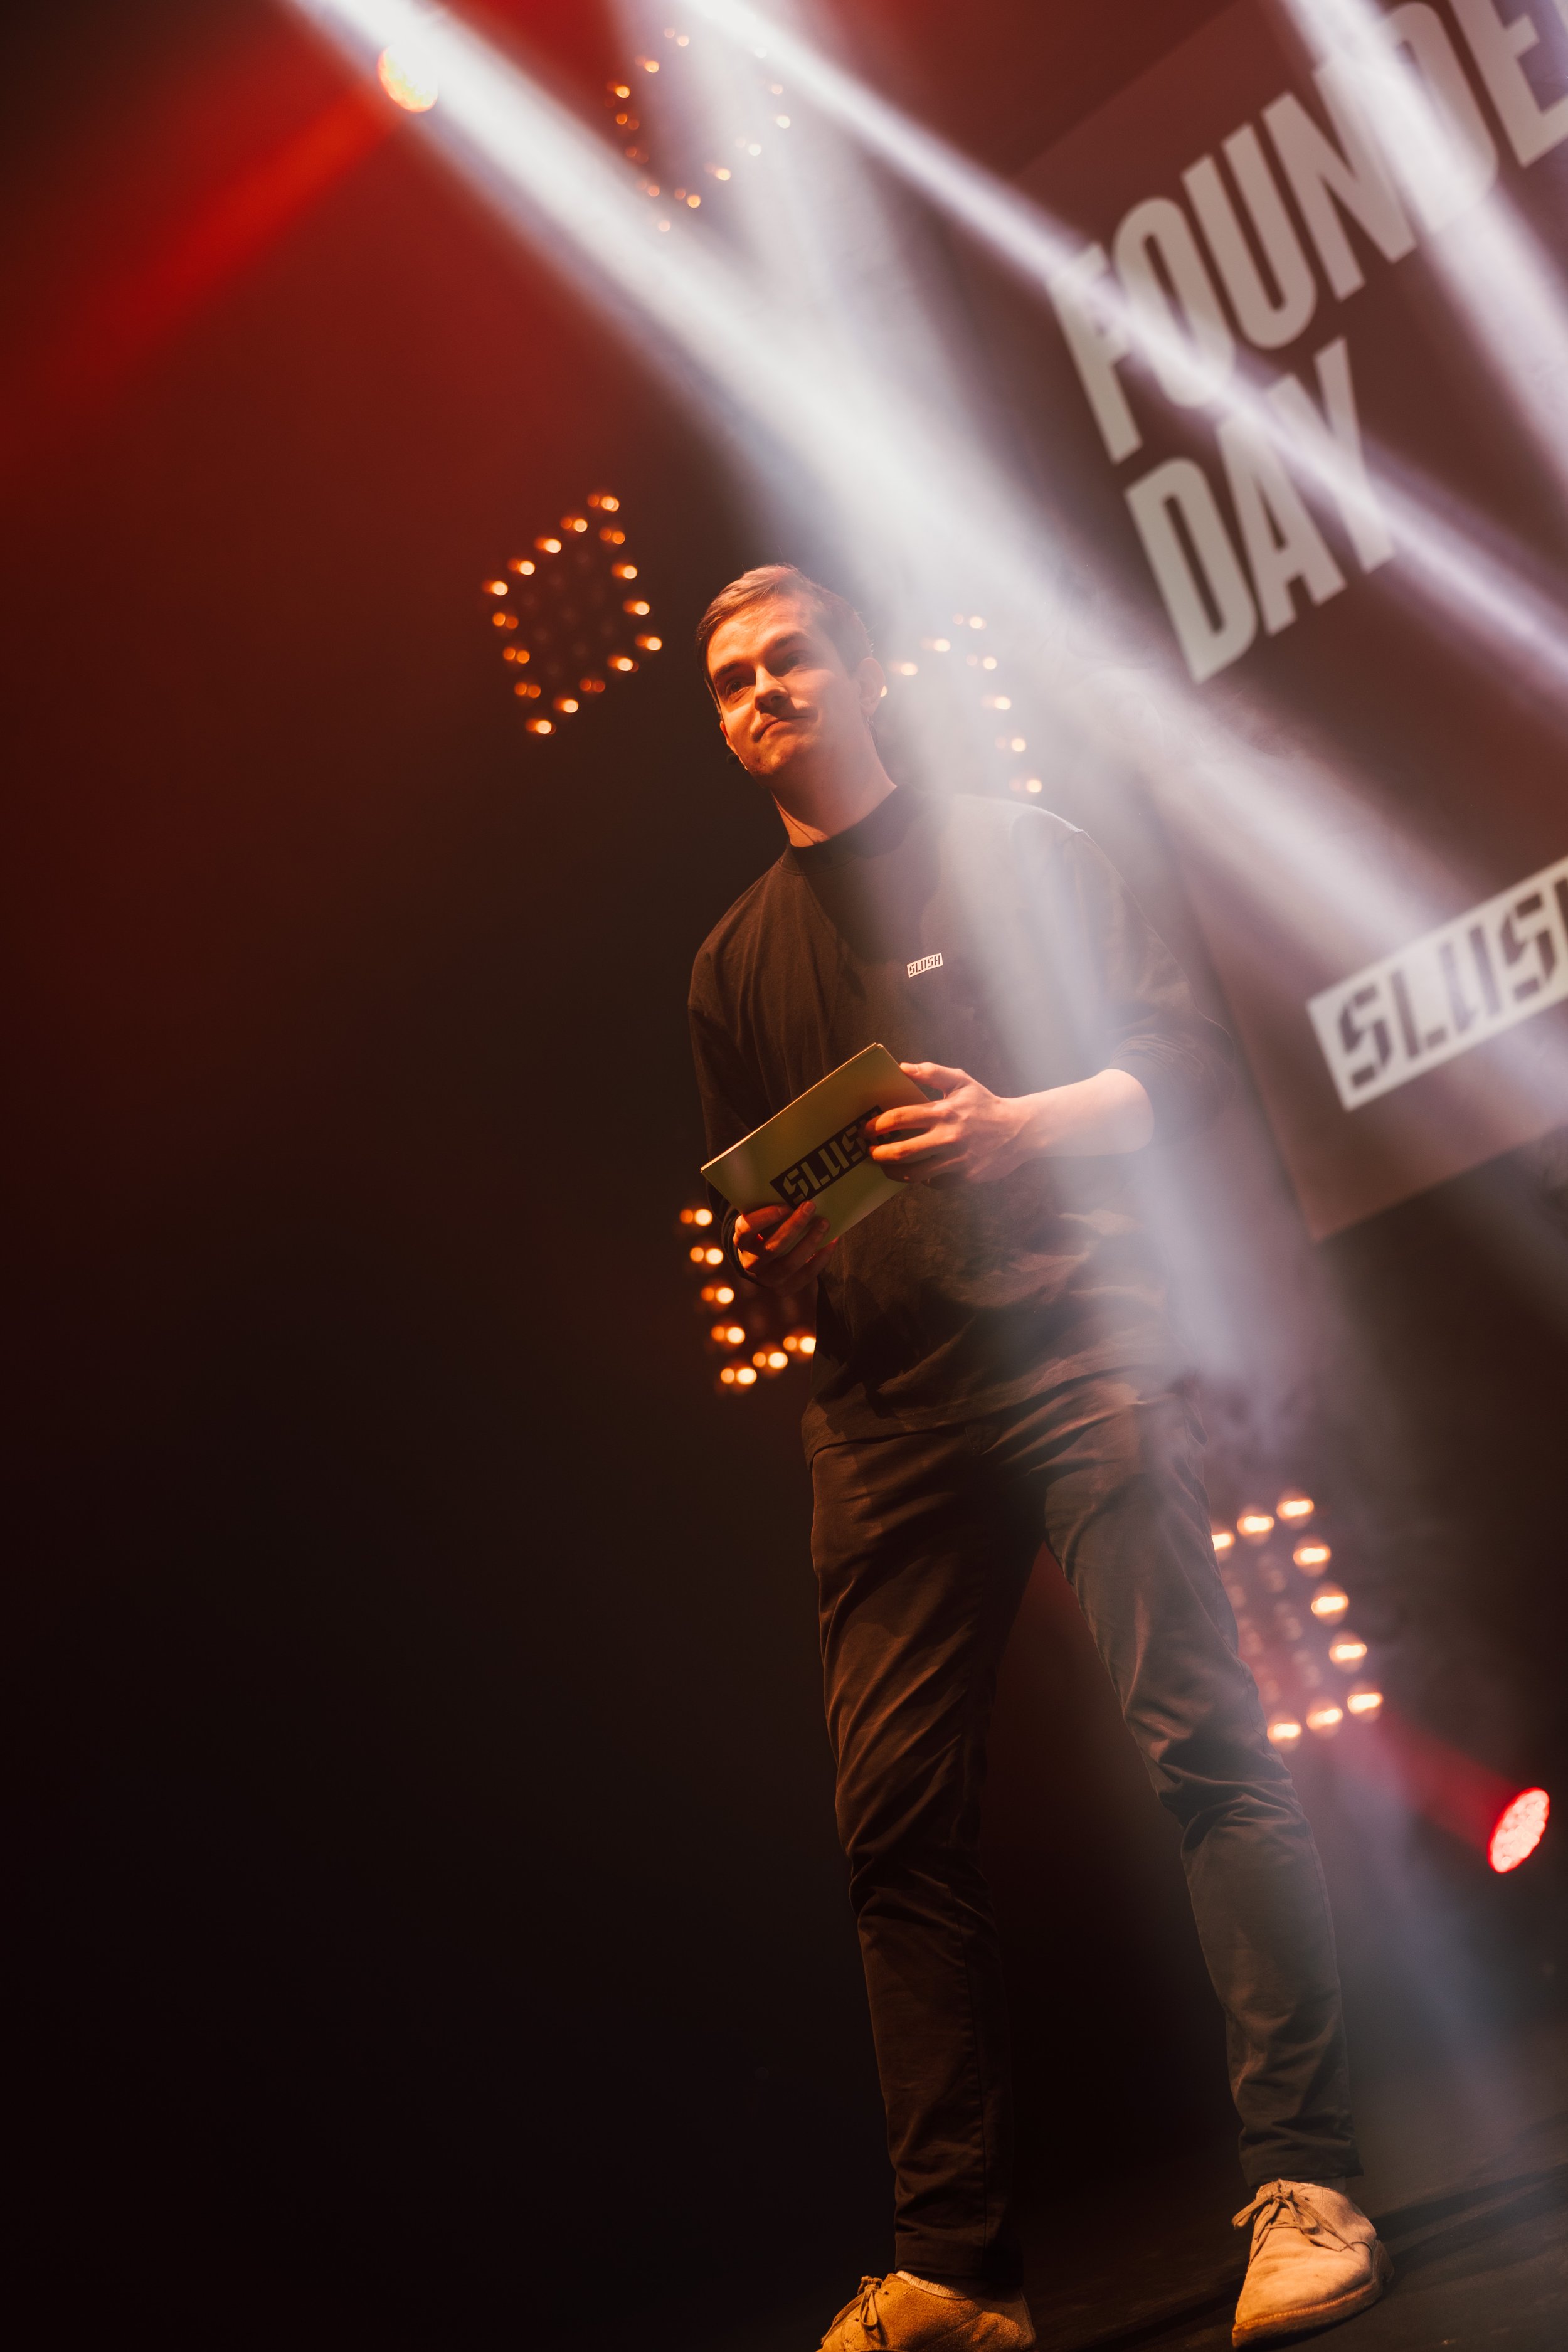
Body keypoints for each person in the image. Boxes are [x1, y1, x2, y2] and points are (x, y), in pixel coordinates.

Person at [686, 566, 1391, 2352]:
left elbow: (1170, 1060)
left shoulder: (1021, 848)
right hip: (881, 1413)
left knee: (1199, 1742)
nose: (761, 693)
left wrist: (1017, 1126)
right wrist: (780, 1245)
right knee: (890, 1828)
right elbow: (765, 1207)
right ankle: (960, 2270)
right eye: (728, 682)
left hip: (1074, 1346)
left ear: (858, 673)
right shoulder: (725, 965)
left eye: (788, 660)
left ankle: (1306, 2181)